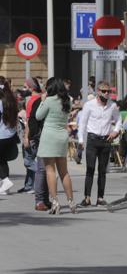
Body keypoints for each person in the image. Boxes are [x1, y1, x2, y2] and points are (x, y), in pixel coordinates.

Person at [35, 78, 77, 214]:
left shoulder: (49, 100)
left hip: (49, 136)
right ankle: (71, 201)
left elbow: (38, 116)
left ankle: (55, 202)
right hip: (62, 136)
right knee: (64, 171)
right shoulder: (68, 101)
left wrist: (42, 101)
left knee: (50, 171)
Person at [78, 81, 122, 207]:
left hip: (106, 140)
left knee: (102, 171)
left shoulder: (112, 106)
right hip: (92, 139)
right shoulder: (89, 105)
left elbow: (119, 120)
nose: (106, 93)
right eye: (104, 91)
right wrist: (81, 140)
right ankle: (87, 198)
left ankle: (100, 198)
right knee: (90, 169)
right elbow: (83, 124)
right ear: (98, 91)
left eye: (109, 91)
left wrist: (115, 131)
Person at [28, 79, 50, 211]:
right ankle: (40, 200)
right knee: (42, 169)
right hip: (41, 139)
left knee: (49, 170)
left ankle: (45, 199)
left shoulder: (52, 102)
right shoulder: (39, 101)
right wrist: (34, 136)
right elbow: (32, 119)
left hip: (50, 139)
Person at [20, 77, 42, 193]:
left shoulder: (31, 100)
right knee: (32, 158)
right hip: (40, 133)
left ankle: (45, 176)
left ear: (31, 87)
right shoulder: (42, 98)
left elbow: (28, 121)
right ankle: (29, 185)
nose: (24, 89)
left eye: (26, 86)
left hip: (32, 134)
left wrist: (26, 137)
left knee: (28, 161)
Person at [0, 76, 19, 195]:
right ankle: (5, 187)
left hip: (1, 135)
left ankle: (6, 180)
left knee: (0, 160)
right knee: (2, 160)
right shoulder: (11, 99)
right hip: (10, 135)